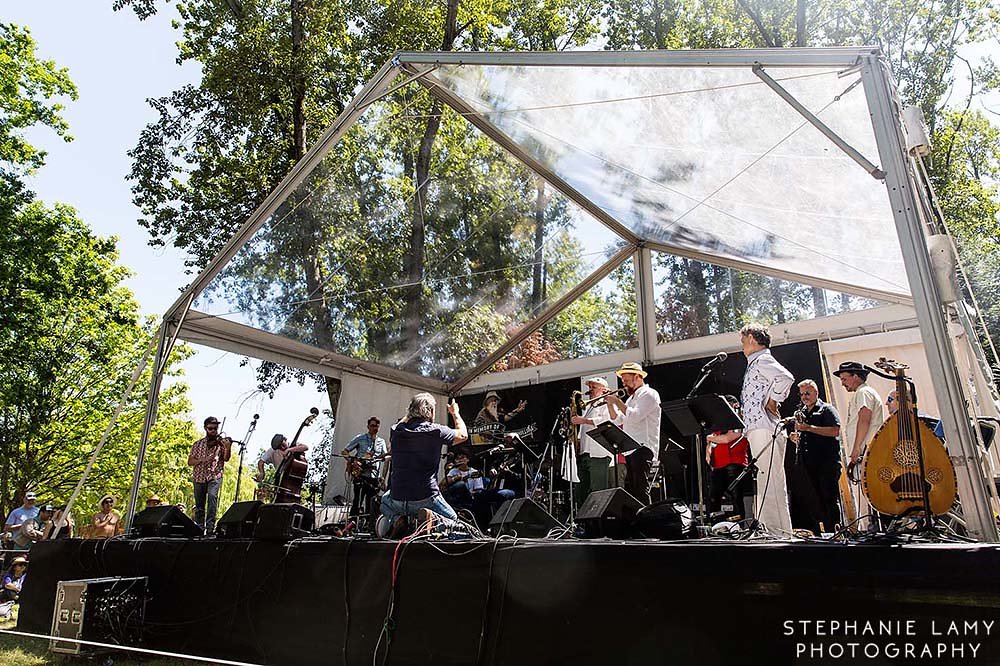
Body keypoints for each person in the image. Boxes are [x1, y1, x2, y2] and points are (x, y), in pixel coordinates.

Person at [379, 393, 468, 537]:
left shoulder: (396, 430)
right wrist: (455, 413)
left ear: (410, 410)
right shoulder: (436, 431)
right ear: (431, 411)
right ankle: (432, 518)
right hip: (425, 498)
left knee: (383, 501)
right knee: (453, 521)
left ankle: (397, 519)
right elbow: (463, 435)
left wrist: (409, 413)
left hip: (397, 498)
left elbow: (402, 421)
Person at [739, 323, 795, 534]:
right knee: (765, 478)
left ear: (752, 339)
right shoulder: (756, 362)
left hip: (765, 428)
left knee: (771, 479)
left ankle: (777, 532)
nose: (742, 346)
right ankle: (769, 529)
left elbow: (785, 377)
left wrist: (773, 400)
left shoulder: (763, 359)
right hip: (758, 428)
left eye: (743, 341)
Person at [789, 380, 842, 534]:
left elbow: (835, 431)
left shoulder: (827, 410)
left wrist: (809, 428)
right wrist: (795, 436)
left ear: (816, 393)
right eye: (802, 394)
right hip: (808, 463)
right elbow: (802, 432)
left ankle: (835, 530)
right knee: (815, 499)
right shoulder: (802, 412)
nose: (804, 397)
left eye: (808, 393)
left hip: (827, 462)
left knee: (829, 498)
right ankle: (822, 531)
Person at [605, 362, 661, 505]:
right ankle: (637, 520)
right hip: (631, 449)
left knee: (641, 489)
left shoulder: (649, 394)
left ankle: (647, 522)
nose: (624, 384)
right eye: (623, 381)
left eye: (627, 381)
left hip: (643, 447)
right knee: (633, 491)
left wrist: (617, 401)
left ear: (637, 377)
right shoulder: (631, 399)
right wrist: (610, 404)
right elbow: (616, 420)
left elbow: (635, 416)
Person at [834, 361, 884, 477]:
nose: (842, 383)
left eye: (844, 379)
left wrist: (857, 448)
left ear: (855, 376)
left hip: (866, 451)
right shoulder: (864, 392)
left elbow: (864, 420)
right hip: (866, 451)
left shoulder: (863, 393)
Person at [441, 450, 515, 528]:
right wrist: (455, 478)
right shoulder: (453, 471)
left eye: (462, 458)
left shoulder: (474, 472)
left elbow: (478, 490)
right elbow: (443, 484)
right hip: (456, 498)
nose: (460, 460)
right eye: (458, 459)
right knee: (459, 485)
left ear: (467, 459)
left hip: (469, 497)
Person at [705, 396, 752, 518]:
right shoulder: (719, 422)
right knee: (713, 497)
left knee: (735, 498)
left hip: (736, 463)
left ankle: (739, 527)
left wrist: (709, 438)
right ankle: (715, 525)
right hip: (718, 464)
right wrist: (708, 451)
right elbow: (713, 442)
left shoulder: (740, 419)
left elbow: (727, 438)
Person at [571, 377, 615, 501]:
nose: (590, 390)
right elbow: (585, 428)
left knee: (598, 491)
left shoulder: (607, 404)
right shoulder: (588, 406)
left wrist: (582, 420)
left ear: (603, 389)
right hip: (585, 453)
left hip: (599, 454)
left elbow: (607, 421)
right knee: (581, 492)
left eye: (594, 387)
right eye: (589, 387)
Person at [188, 416, 232, 533]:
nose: (213, 431)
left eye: (215, 429)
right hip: (199, 476)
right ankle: (199, 527)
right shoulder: (198, 444)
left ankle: (210, 527)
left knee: (212, 498)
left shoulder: (220, 444)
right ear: (205, 428)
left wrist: (227, 447)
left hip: (214, 475)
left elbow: (226, 458)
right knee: (199, 504)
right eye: (210, 429)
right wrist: (202, 459)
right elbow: (190, 461)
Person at [340, 417, 387, 522]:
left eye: (376, 426)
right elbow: (344, 451)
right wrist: (353, 462)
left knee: (371, 503)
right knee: (357, 501)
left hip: (374, 477)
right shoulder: (360, 438)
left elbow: (384, 457)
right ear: (368, 427)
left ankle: (368, 526)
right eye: (372, 425)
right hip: (360, 475)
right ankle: (351, 525)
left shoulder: (381, 441)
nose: (374, 428)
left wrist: (384, 458)